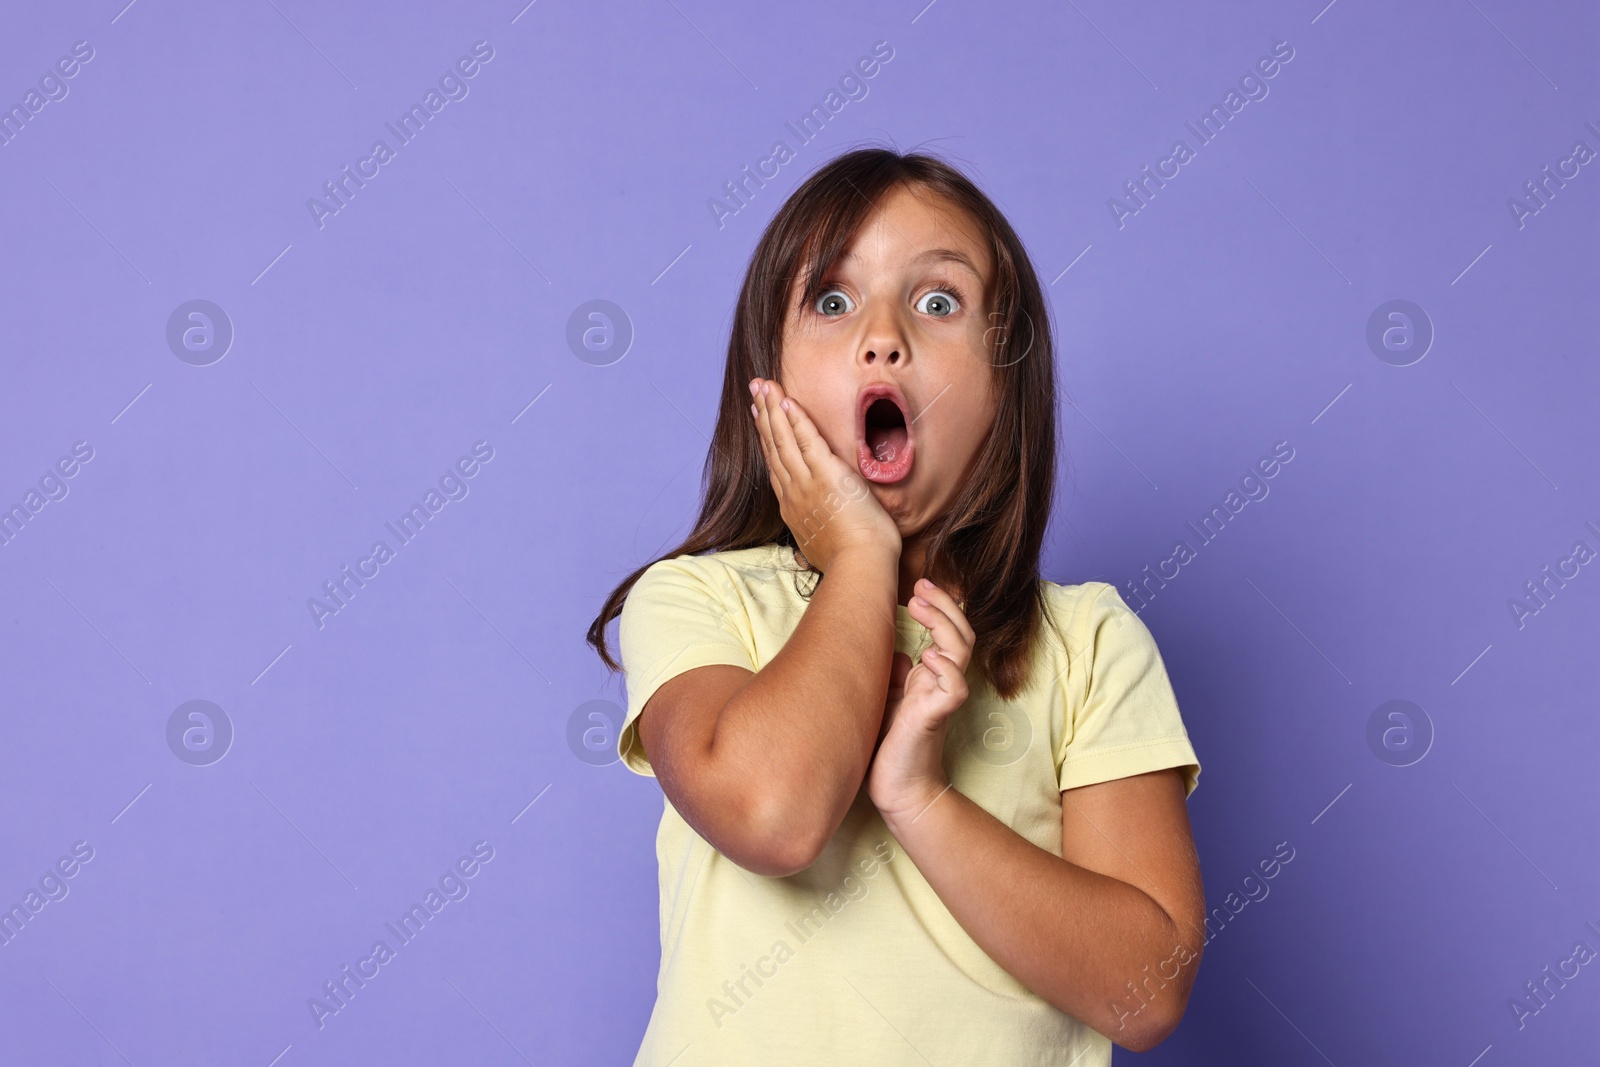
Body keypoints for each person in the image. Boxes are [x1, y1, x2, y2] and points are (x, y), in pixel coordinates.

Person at [586, 145, 1205, 1065]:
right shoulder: (695, 599)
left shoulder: (1087, 641)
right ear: (772, 382)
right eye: (832, 302)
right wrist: (862, 556)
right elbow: (774, 815)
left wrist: (919, 798)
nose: (883, 335)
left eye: (938, 300)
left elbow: (1146, 994)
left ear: (1004, 384)